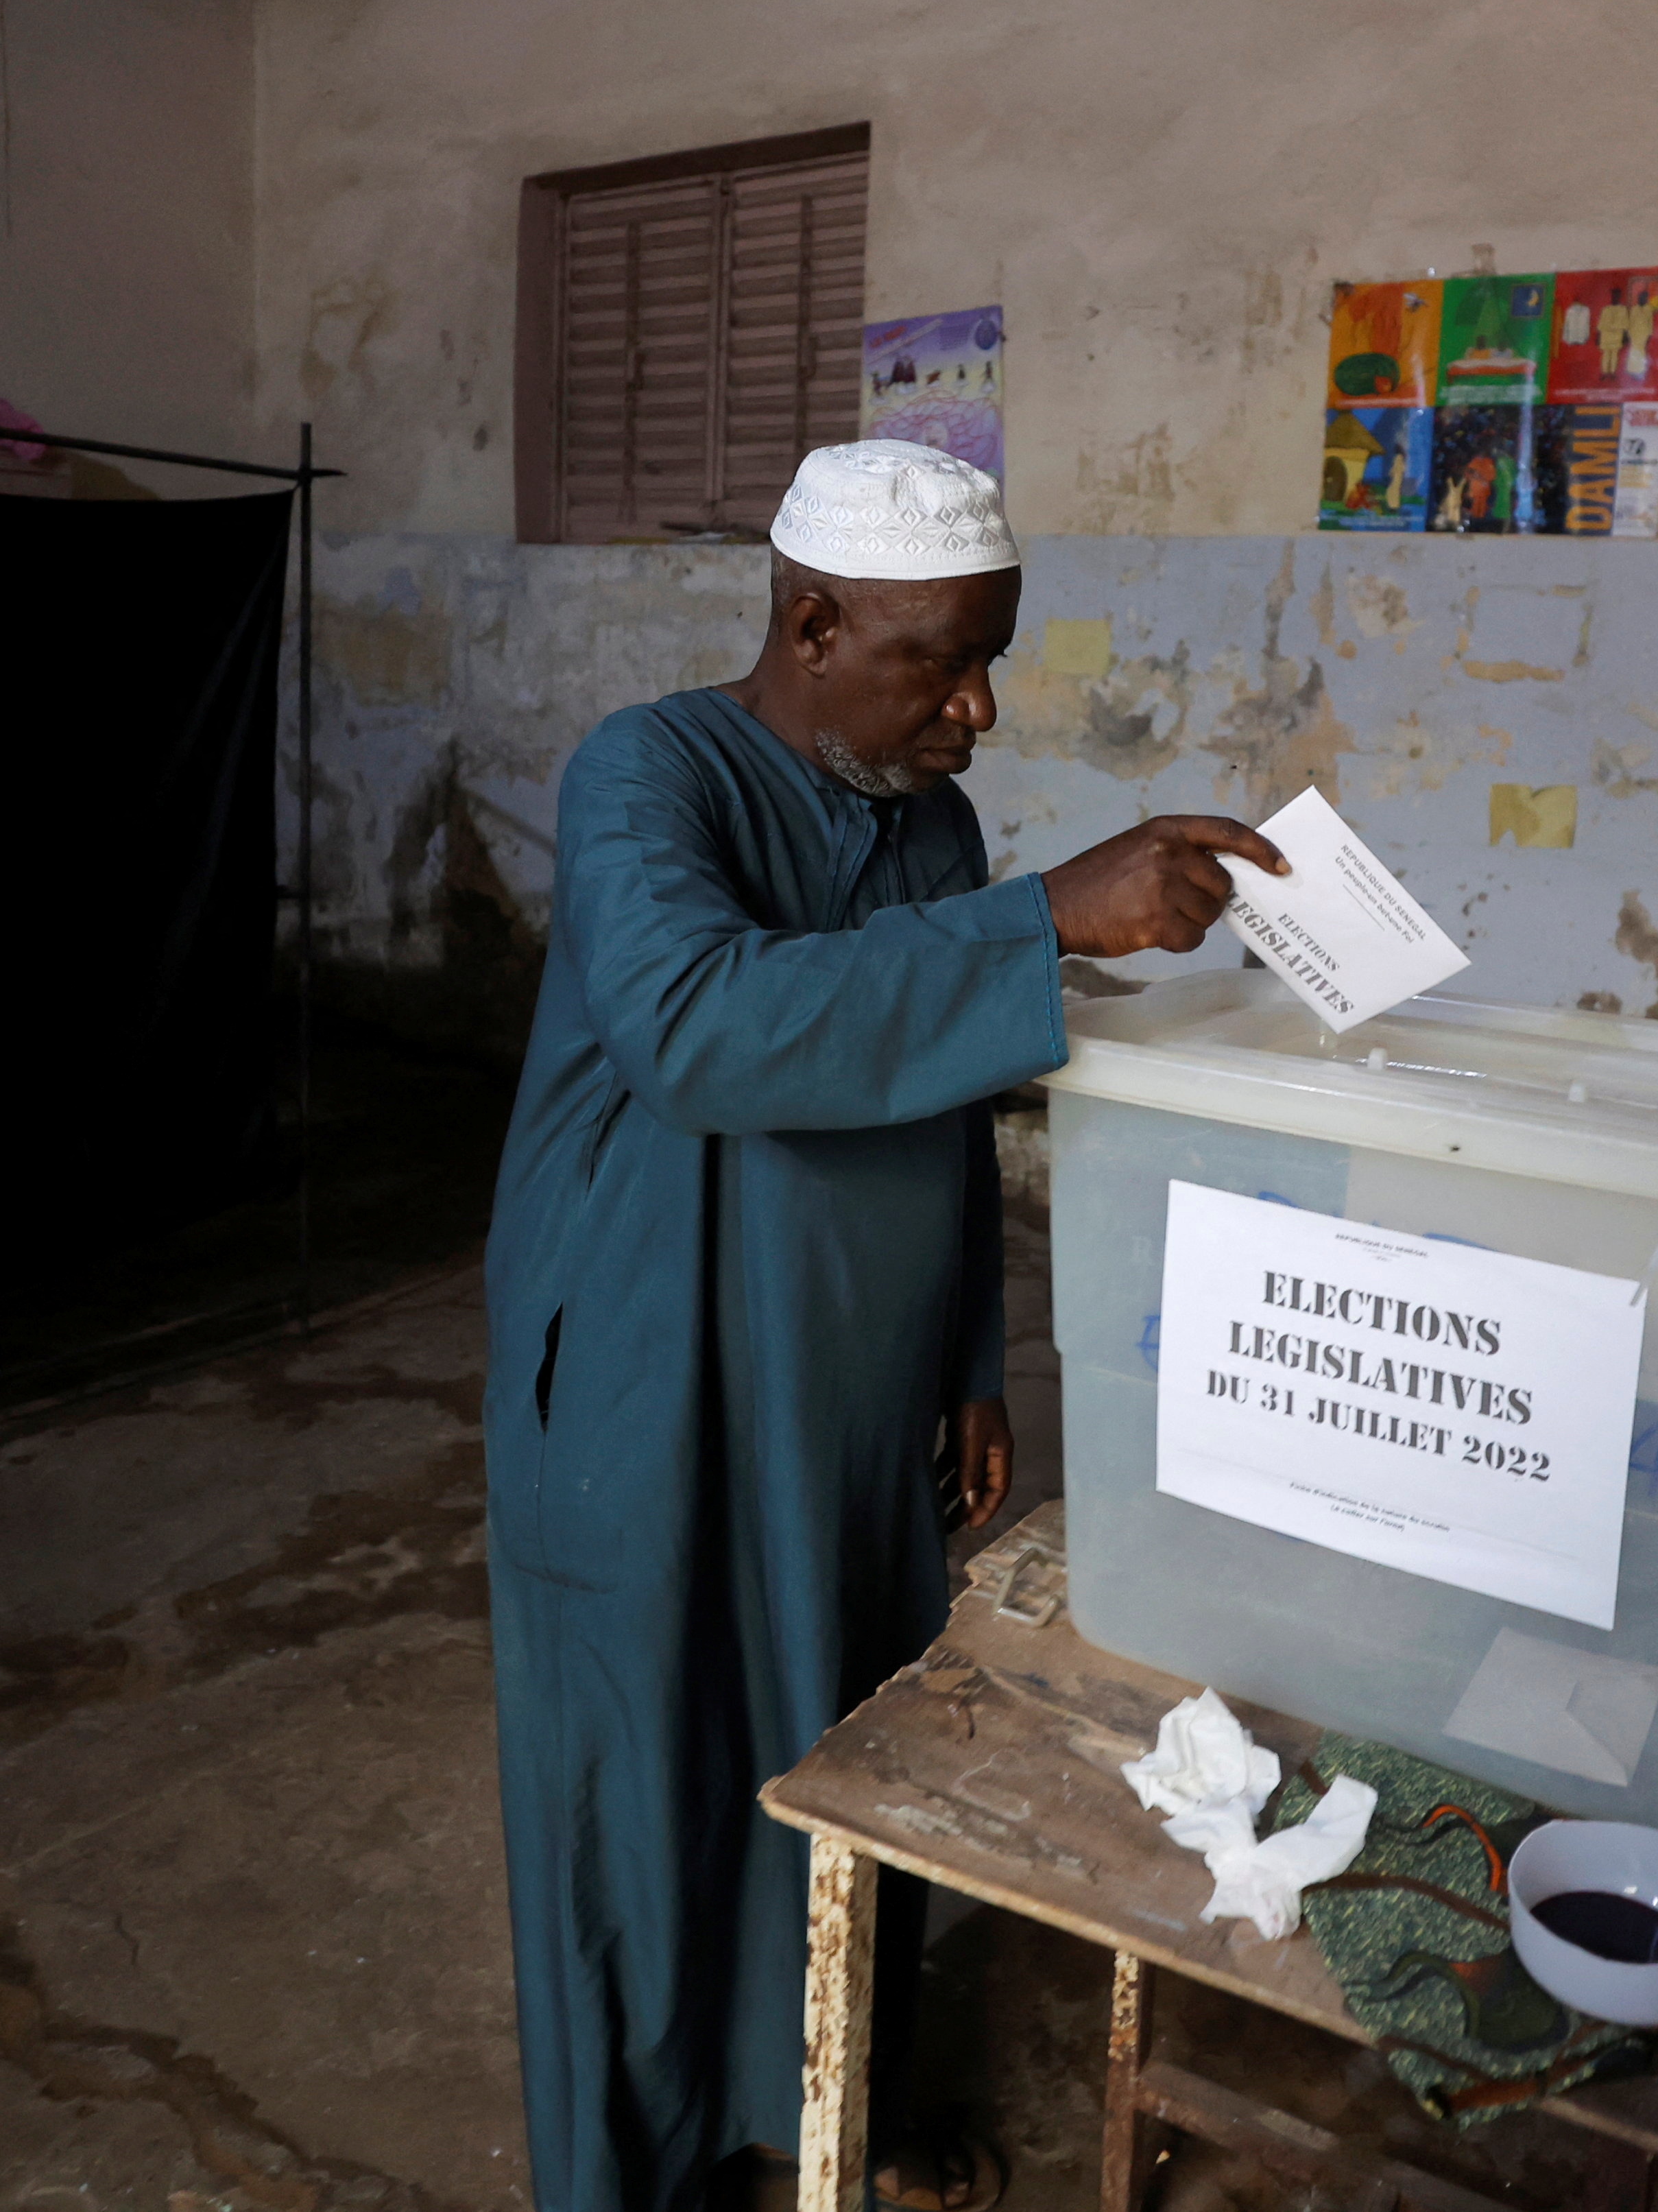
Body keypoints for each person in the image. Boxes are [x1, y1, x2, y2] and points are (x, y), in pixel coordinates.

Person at [483, 439, 1284, 2212]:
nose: (977, 708)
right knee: (645, 1778)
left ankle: (833, 2090)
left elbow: (944, 1093)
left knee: (854, 1744)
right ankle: (641, 2166)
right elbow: (701, 1025)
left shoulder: (933, 824)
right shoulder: (648, 777)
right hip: (644, 1383)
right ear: (814, 618)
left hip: (841, 1390)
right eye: (940, 661)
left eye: (993, 656)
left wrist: (974, 1352)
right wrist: (1055, 917)